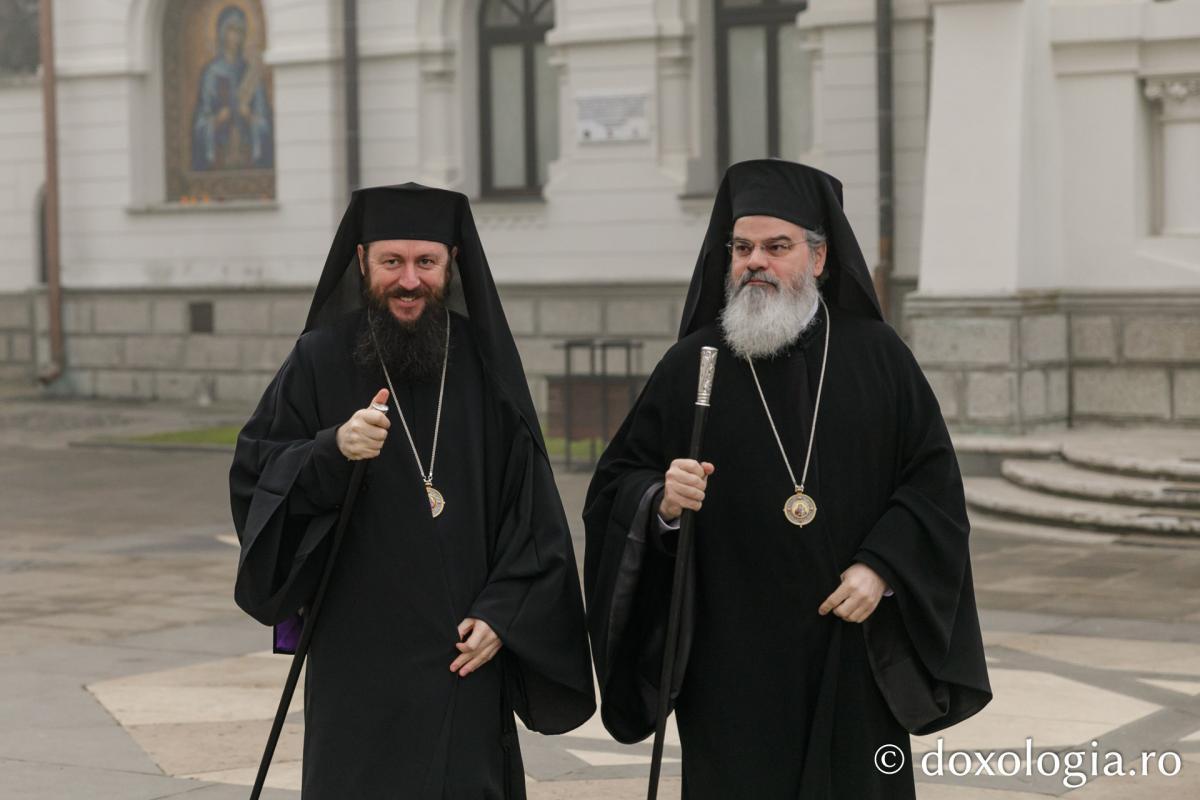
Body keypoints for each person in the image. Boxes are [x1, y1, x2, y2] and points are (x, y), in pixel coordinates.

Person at [584, 159, 991, 798]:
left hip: (853, 655)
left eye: (778, 247)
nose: (756, 263)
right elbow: (615, 484)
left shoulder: (879, 357)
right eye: (743, 248)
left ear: (820, 259)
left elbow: (933, 484)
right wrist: (661, 500)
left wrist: (883, 566)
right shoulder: (694, 362)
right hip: (730, 661)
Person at [231, 184, 595, 798]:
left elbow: (532, 510)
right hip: (357, 658)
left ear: (450, 262)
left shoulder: (485, 363)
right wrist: (330, 450)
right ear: (362, 262)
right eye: (391, 263)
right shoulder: (319, 358)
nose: (408, 281)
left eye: (425, 262)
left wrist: (504, 614)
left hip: (463, 654)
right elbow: (254, 473)